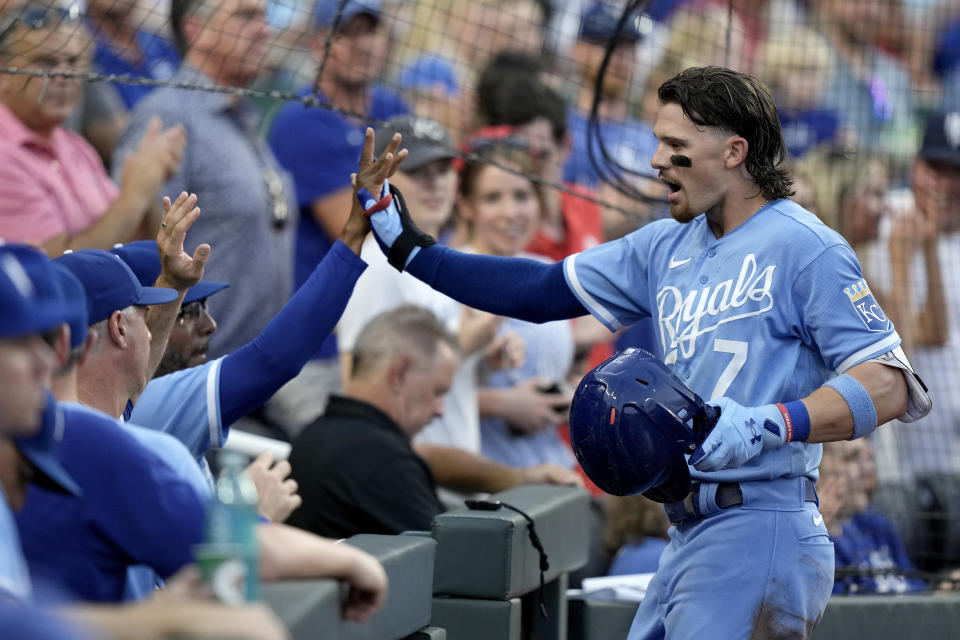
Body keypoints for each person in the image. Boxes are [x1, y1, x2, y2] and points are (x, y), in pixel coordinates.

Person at [356, 66, 927, 638]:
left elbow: (891, 382)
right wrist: (412, 250)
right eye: (657, 141)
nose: (655, 159)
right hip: (686, 534)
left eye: (675, 145)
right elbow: (536, 290)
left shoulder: (807, 246)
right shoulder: (664, 244)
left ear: (734, 151)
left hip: (763, 525)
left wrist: (770, 424)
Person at [114, 0, 297, 362]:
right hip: (196, 371)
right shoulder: (168, 115)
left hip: (257, 369)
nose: (264, 30)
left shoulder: (240, 115)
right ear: (195, 29)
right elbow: (135, 251)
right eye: (245, 17)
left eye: (263, 17)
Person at [267, 0, 407, 425]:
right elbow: (377, 238)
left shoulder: (392, 108)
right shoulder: (301, 121)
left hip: (386, 341)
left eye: (371, 32)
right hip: (315, 355)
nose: (363, 46)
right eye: (347, 34)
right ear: (319, 45)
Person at [0, 2, 185, 255]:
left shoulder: (75, 146)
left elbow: (140, 246)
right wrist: (134, 195)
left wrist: (149, 182)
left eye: (73, 61)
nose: (64, 75)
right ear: (3, 72)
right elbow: (57, 270)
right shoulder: (4, 156)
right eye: (45, 63)